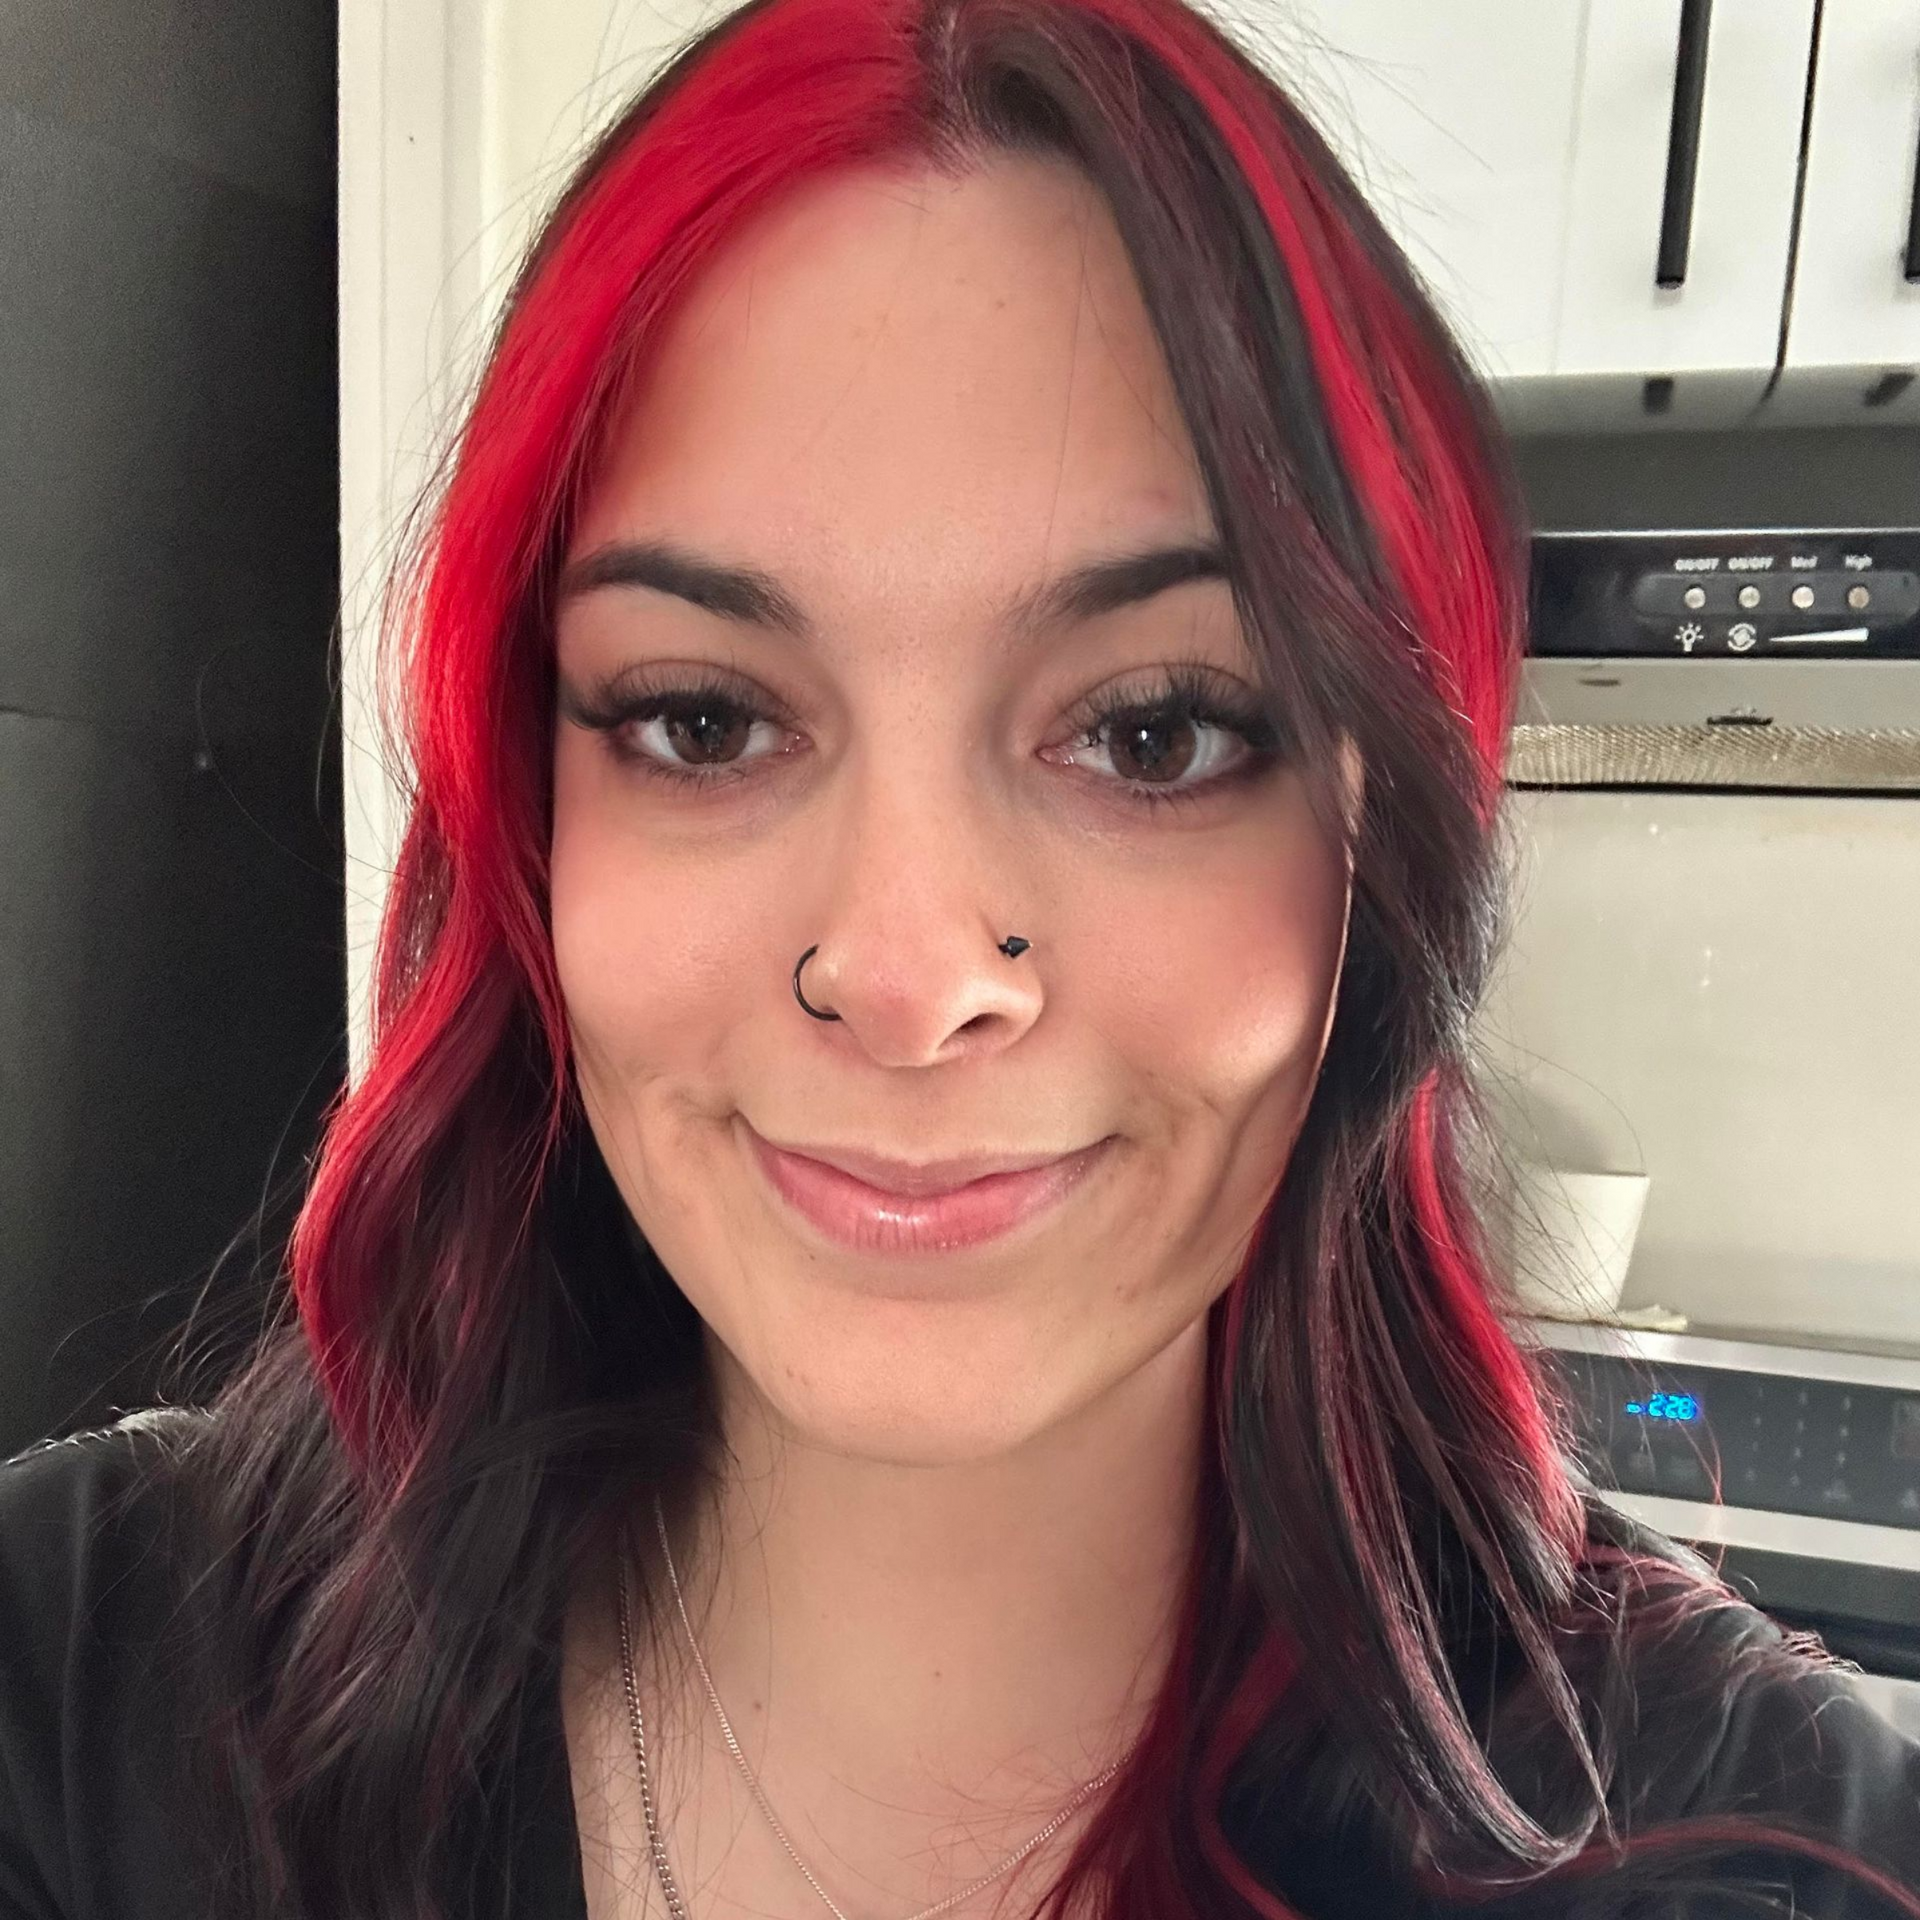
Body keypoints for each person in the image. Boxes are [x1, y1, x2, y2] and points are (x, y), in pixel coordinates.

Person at [2, 1, 1917, 1916]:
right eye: (702, 721)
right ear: (532, 814)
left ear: (1379, 847)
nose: (912, 980)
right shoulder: (80, 1695)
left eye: (1154, 733)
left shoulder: (1775, 1855)